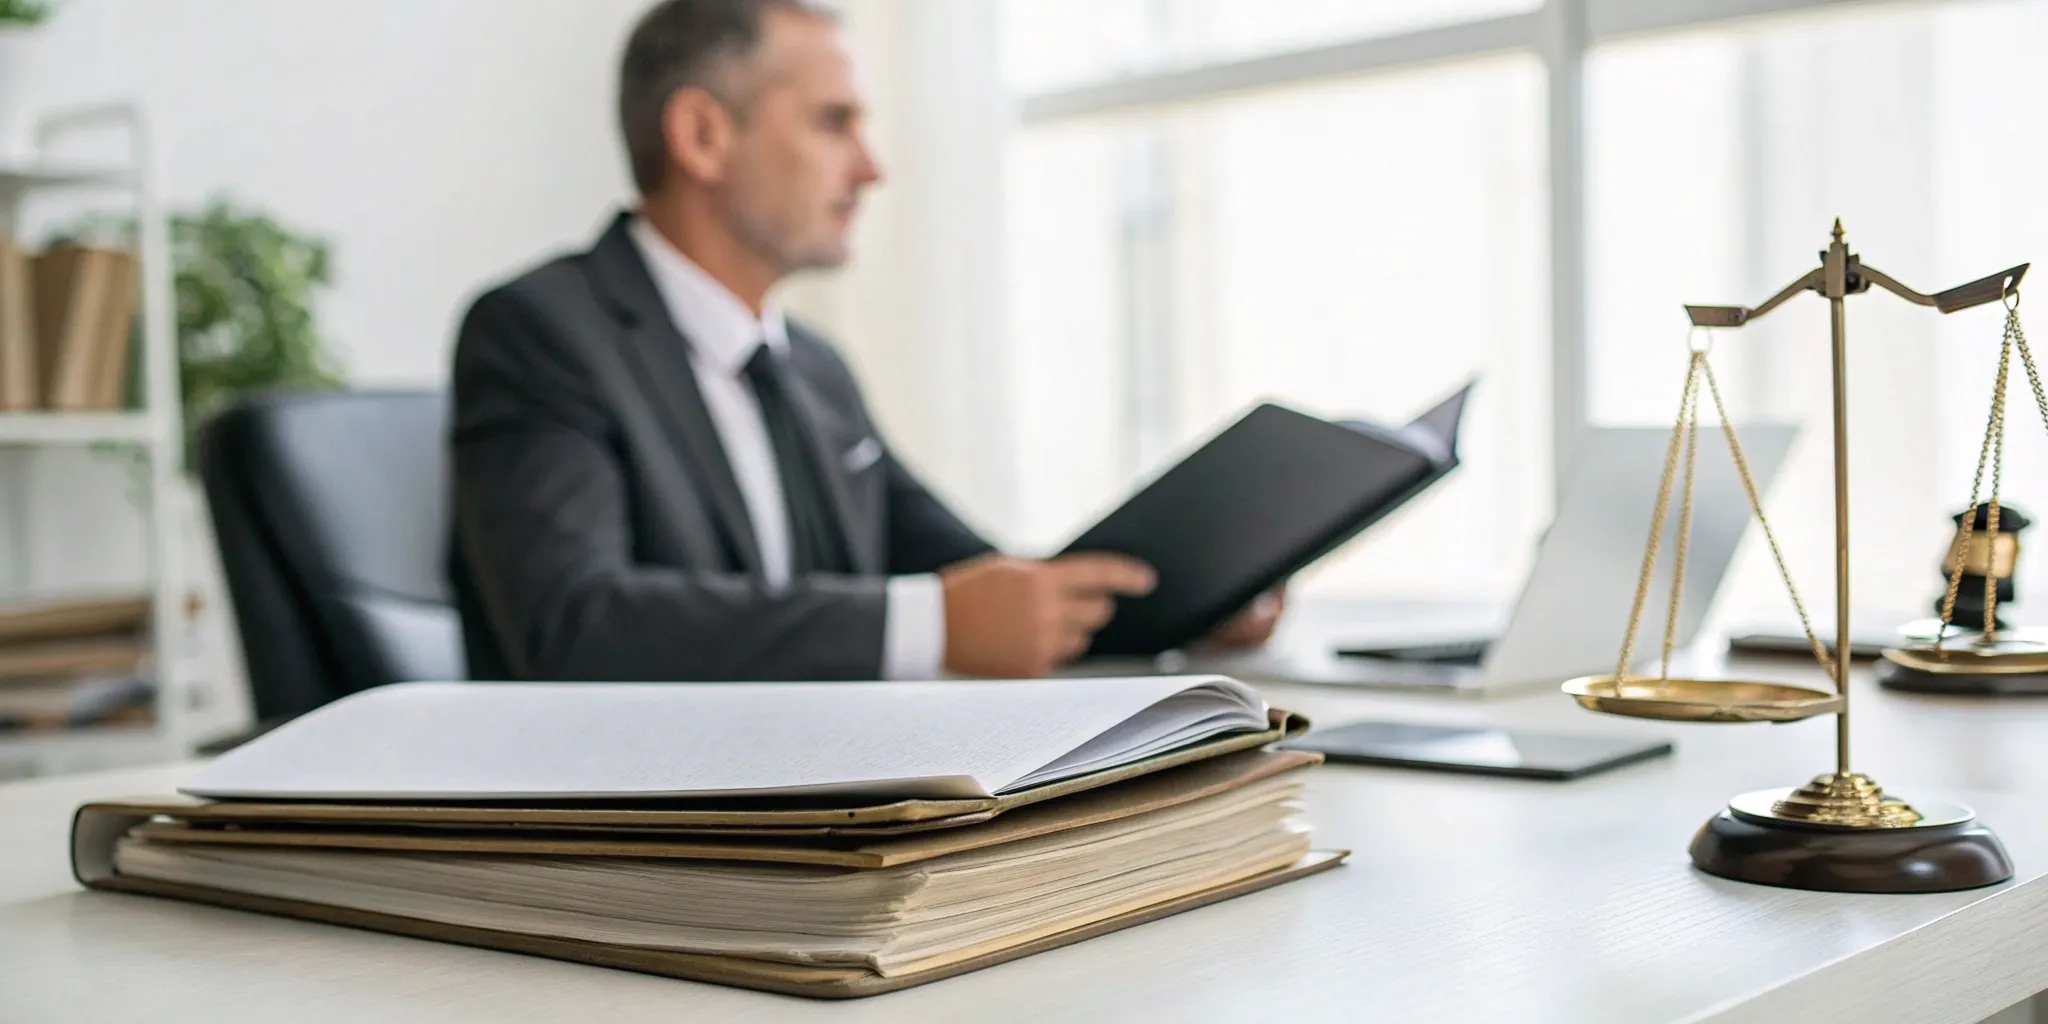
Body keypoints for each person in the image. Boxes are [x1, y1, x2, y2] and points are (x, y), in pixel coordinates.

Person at [446, 0, 1283, 683]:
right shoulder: (540, 331)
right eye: (833, 123)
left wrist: (1175, 608)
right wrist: (931, 625)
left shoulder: (812, 369)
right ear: (703, 135)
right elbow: (574, 622)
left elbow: (974, 581)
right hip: (635, 837)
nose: (871, 168)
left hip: (832, 806)